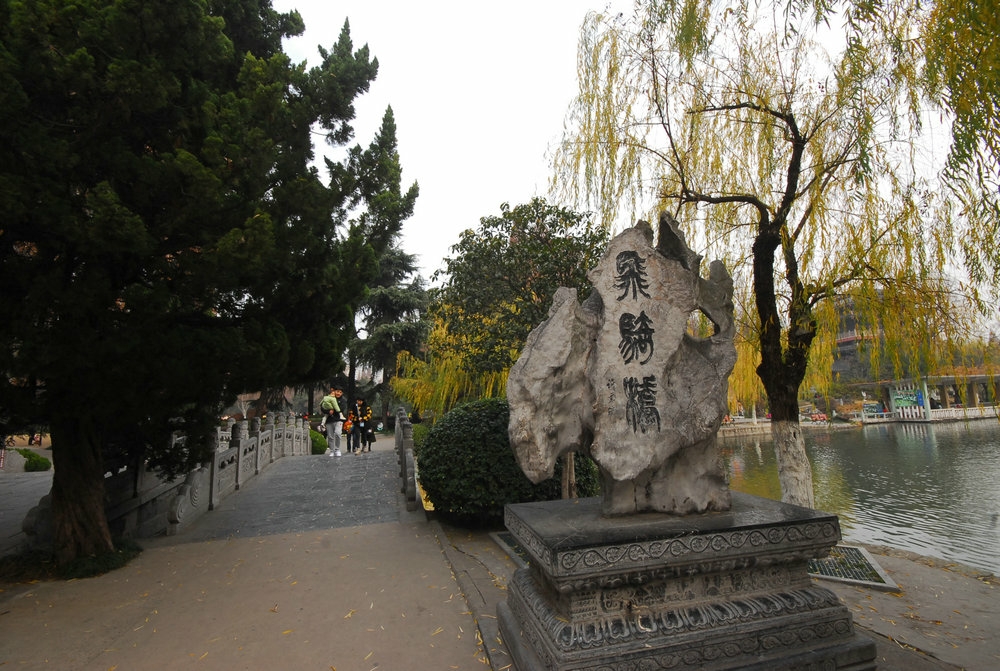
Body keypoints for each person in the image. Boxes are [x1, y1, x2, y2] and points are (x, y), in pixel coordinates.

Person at [320, 387, 344, 456]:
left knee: (338, 433)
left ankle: (337, 449)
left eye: (340, 392)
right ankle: (332, 450)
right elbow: (322, 407)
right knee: (330, 436)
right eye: (337, 391)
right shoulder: (328, 398)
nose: (338, 393)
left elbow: (342, 409)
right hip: (329, 420)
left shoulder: (342, 400)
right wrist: (328, 411)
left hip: (338, 420)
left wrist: (334, 409)